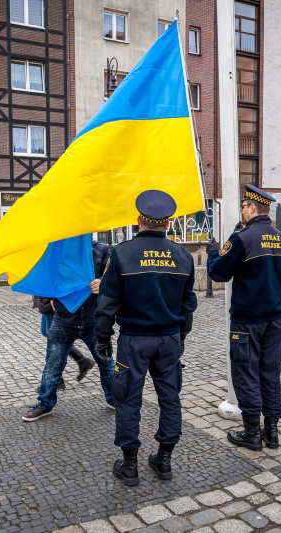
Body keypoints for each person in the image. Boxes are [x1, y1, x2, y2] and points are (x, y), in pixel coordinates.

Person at [95, 190, 197, 486]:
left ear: (139, 219)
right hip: (168, 339)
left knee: (127, 400)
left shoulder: (122, 254)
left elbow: (108, 303)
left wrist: (102, 339)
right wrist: (181, 337)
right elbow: (188, 305)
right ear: (167, 222)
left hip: (134, 340)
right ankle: (163, 460)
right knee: (170, 399)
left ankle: (129, 466)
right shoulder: (182, 255)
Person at [206, 184, 281, 452]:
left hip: (248, 320)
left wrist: (213, 253)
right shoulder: (279, 236)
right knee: (270, 374)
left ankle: (252, 432)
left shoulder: (243, 238)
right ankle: (272, 432)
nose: (241, 210)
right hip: (275, 318)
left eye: (243, 207)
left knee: (246, 373)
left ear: (252, 208)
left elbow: (219, 273)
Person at [22, 240, 115, 422]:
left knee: (106, 363)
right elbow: (47, 275)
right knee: (52, 365)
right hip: (64, 319)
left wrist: (102, 282)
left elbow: (115, 275)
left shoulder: (102, 250)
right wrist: (49, 298)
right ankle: (45, 404)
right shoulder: (59, 249)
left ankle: (115, 400)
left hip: (93, 319)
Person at [34, 294, 95, 391]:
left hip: (51, 298)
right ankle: (82, 360)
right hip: (45, 298)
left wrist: (51, 298)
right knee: (45, 331)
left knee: (55, 338)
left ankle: (57, 380)